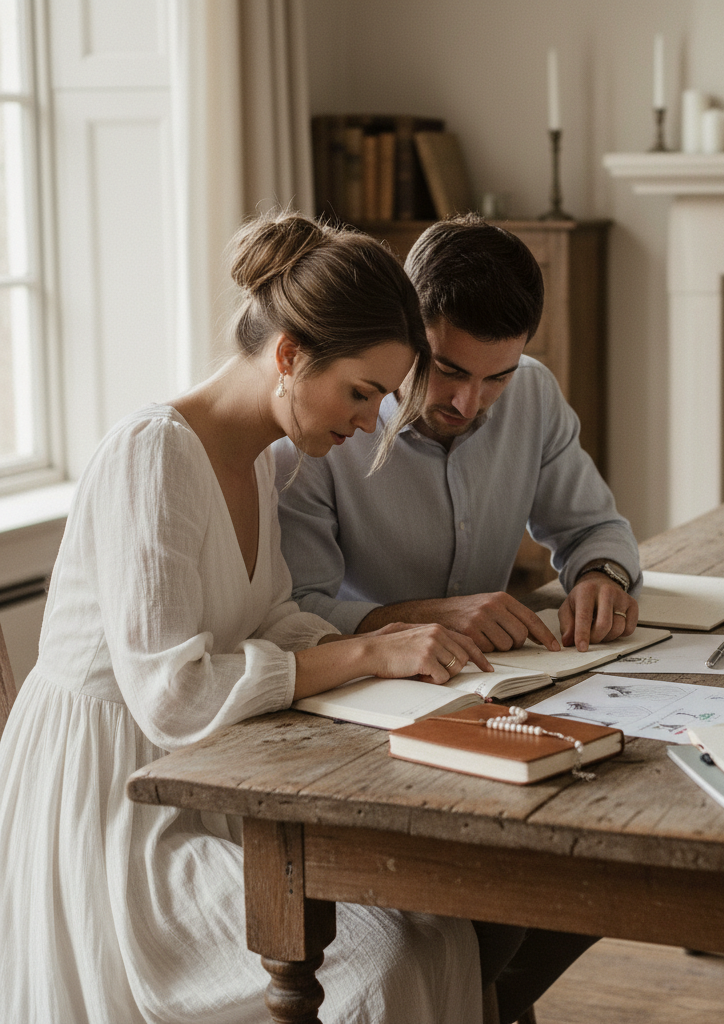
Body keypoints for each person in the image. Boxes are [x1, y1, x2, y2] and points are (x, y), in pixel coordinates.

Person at [0, 213, 498, 1023]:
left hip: (202, 777)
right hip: (113, 812)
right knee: (379, 957)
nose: (371, 422)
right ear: (292, 356)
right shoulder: (152, 453)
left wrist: (387, 647)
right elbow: (174, 693)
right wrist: (367, 657)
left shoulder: (257, 458)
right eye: (361, 392)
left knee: (441, 926)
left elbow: (267, 617)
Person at [275, 214, 642, 655]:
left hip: (495, 678)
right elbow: (298, 611)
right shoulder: (321, 429)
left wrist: (602, 576)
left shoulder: (533, 390)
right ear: (405, 327)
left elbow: (594, 527)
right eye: (450, 371)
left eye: (498, 377)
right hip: (363, 682)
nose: (468, 404)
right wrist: (431, 617)